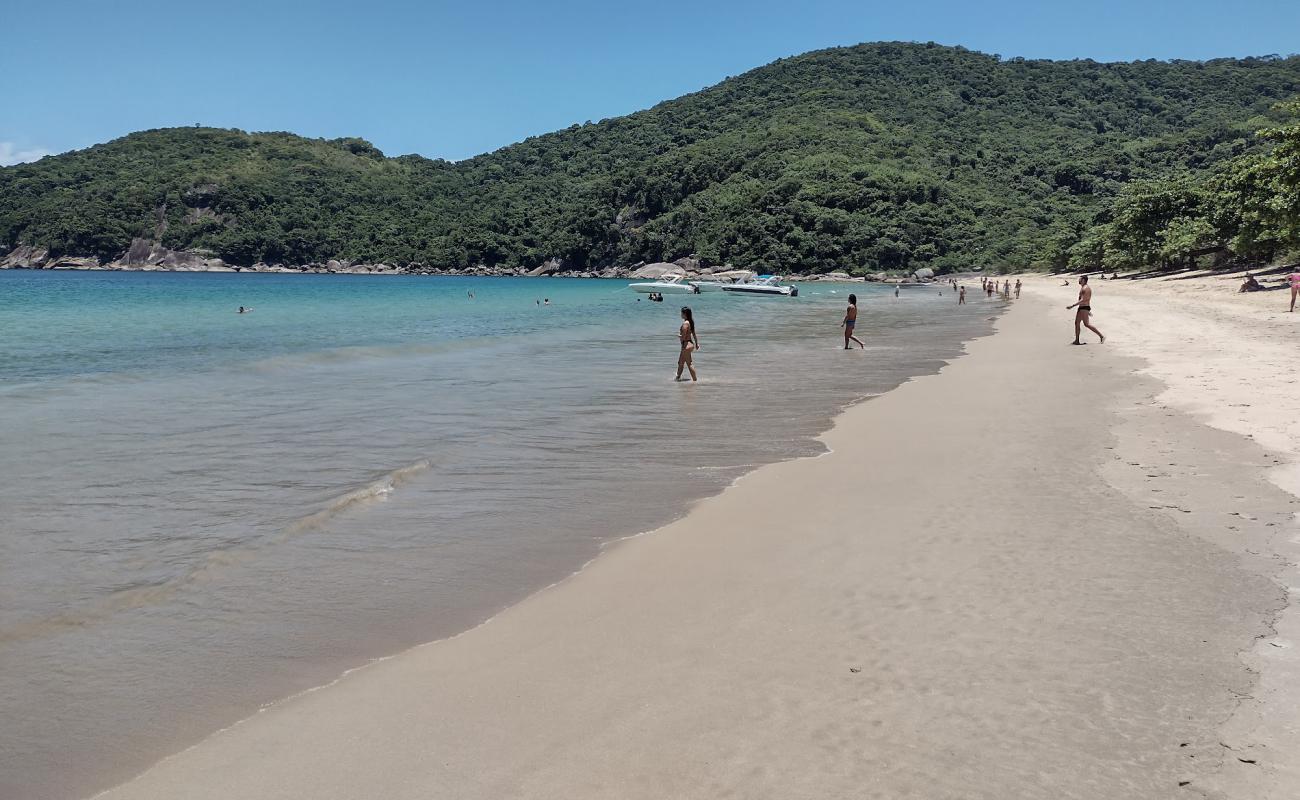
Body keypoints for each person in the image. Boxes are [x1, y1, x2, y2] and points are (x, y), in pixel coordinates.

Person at [1067, 275, 1104, 345]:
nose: (1079, 280)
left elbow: (1083, 300)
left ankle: (1101, 336)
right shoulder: (1083, 288)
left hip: (1084, 307)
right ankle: (1077, 340)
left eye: (1080, 279)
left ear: (1083, 280)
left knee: (1086, 324)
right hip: (1082, 308)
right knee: (1077, 323)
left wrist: (1072, 305)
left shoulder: (1086, 288)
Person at [676, 306, 699, 382]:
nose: (680, 314)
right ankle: (677, 378)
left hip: (686, 345)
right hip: (690, 344)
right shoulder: (690, 322)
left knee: (689, 364)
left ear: (685, 314)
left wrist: (679, 336)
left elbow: (683, 336)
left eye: (681, 313)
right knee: (681, 362)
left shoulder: (685, 324)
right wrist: (696, 344)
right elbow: (694, 334)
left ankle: (695, 381)